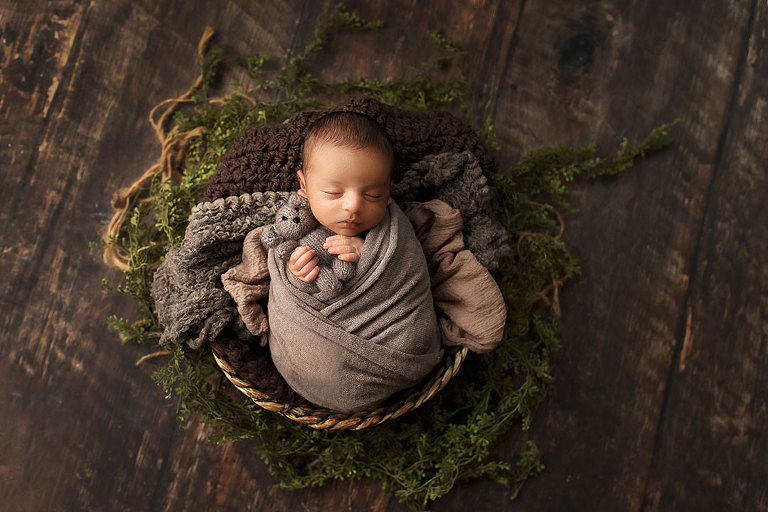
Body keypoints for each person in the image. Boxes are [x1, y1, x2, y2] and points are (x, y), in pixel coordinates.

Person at [286, 111, 394, 284]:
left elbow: (406, 264)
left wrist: (369, 253)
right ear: (304, 186)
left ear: (388, 192)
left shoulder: (392, 231)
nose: (353, 206)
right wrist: (294, 271)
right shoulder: (291, 223)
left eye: (373, 195)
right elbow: (274, 267)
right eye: (333, 192)